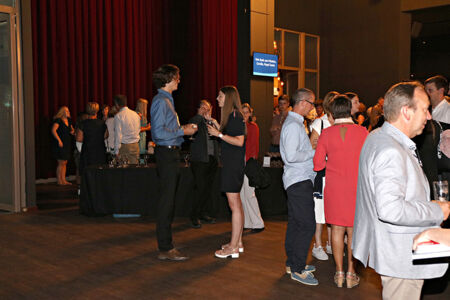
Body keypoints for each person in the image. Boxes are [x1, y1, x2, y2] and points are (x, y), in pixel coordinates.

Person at [352, 81, 450, 299]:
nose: (428, 117)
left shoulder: (377, 137)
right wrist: (436, 211)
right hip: (401, 254)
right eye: (425, 110)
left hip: (395, 249)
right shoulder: (390, 150)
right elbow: (391, 210)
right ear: (406, 112)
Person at [313, 95, 368, 288]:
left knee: (336, 229)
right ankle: (351, 274)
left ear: (332, 112)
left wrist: (332, 163)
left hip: (334, 187)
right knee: (353, 230)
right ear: (350, 110)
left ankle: (339, 273)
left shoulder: (326, 134)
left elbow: (317, 164)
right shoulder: (363, 132)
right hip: (356, 187)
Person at [150, 64, 197, 261]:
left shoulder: (166, 100)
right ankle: (165, 248)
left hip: (170, 154)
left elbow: (166, 130)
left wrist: (182, 130)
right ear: (168, 79)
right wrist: (182, 132)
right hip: (166, 155)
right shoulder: (161, 101)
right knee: (166, 203)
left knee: (168, 201)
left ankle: (166, 244)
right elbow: (158, 134)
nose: (179, 81)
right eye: (177, 77)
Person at [280, 88, 318, 286]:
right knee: (306, 225)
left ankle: (292, 263)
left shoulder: (295, 123)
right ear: (303, 102)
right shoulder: (294, 125)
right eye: (311, 103)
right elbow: (292, 156)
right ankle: (298, 269)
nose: (313, 107)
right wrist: (314, 152)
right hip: (299, 180)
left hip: (297, 180)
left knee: (296, 223)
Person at [207, 86, 246, 259]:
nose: (217, 98)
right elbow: (230, 133)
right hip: (233, 164)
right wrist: (216, 125)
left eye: (220, 96)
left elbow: (238, 141)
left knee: (234, 205)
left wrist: (219, 135)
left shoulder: (236, 116)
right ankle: (237, 242)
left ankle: (233, 247)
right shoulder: (233, 116)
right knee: (236, 204)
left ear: (228, 98)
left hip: (233, 165)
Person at [309, 90, 338, 261]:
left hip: (337, 172)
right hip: (323, 171)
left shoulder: (341, 122)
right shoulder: (320, 123)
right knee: (319, 211)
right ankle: (317, 244)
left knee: (332, 210)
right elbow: (312, 145)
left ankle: (330, 243)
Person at [189, 100, 219, 228]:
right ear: (198, 109)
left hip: (212, 159)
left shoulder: (212, 121)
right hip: (200, 160)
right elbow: (191, 128)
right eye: (203, 108)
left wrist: (211, 119)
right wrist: (199, 115)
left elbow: (221, 133)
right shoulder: (196, 120)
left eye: (208, 108)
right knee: (200, 188)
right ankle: (194, 215)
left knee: (208, 189)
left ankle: (203, 212)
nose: (206, 110)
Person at [240, 103, 264, 233]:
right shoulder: (239, 126)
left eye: (246, 112)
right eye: (242, 112)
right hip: (240, 162)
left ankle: (258, 223)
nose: (244, 114)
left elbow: (254, 147)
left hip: (248, 163)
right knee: (242, 194)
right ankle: (248, 222)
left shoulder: (253, 127)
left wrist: (250, 162)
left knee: (249, 194)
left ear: (250, 113)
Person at [76, 102, 108, 176]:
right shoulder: (102, 123)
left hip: (88, 152)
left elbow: (79, 139)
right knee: (99, 173)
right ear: (97, 111)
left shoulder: (83, 124)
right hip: (100, 151)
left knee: (88, 174)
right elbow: (106, 135)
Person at [113, 94, 141, 164]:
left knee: (124, 172)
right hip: (135, 146)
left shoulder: (118, 116)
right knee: (134, 171)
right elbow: (138, 130)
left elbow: (118, 135)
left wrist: (116, 151)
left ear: (116, 104)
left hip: (125, 147)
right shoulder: (135, 114)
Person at [51, 106, 75, 185]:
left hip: (67, 143)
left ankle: (63, 180)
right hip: (60, 144)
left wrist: (73, 132)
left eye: (68, 110)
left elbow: (72, 130)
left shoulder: (69, 120)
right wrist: (59, 140)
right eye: (66, 111)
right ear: (62, 112)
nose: (68, 112)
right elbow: (53, 130)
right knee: (61, 162)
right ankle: (59, 180)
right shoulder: (58, 120)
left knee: (65, 162)